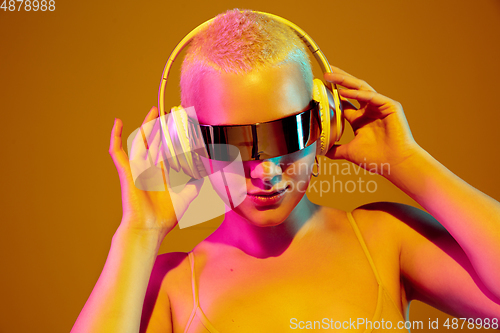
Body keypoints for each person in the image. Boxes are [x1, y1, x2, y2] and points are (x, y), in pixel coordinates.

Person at [71, 9, 500, 333]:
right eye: (233, 142)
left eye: (288, 133)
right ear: (189, 144)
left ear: (324, 122)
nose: (267, 171)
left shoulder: (386, 240)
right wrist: (139, 234)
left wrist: (409, 163)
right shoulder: (168, 284)